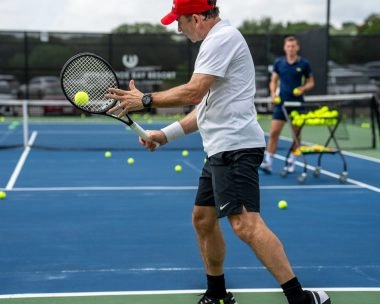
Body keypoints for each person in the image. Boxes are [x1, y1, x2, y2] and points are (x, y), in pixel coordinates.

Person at [106, 1, 329, 304]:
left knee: (245, 224)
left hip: (235, 147)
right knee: (202, 218)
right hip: (220, 149)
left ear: (196, 18)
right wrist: (164, 135)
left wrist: (145, 100)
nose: (177, 27)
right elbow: (205, 108)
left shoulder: (222, 39)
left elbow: (193, 92)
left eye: (179, 21)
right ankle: (217, 295)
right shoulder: (215, 43)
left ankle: (299, 299)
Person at [260, 35, 315, 174]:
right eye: (288, 46)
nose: (291, 48)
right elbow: (273, 80)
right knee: (274, 133)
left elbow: (311, 82)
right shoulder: (279, 63)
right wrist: (273, 93)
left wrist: (302, 89)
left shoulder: (304, 64)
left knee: (296, 135)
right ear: (285, 48)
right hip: (281, 104)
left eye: (293, 46)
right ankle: (268, 162)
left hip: (297, 104)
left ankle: (291, 161)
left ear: (297, 47)